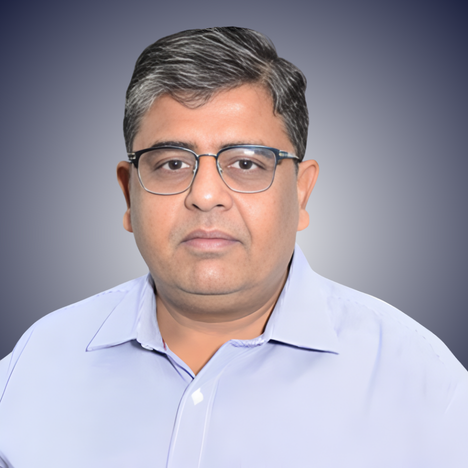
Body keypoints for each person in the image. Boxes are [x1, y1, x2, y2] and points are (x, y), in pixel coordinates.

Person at [0, 27, 466, 468]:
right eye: (172, 164)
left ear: (301, 192)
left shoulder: (423, 383)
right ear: (129, 193)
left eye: (246, 163)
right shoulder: (37, 362)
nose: (205, 195)